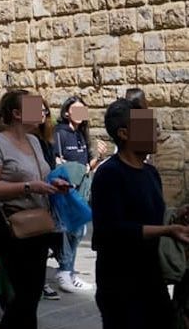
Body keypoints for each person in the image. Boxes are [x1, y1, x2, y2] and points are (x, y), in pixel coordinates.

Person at [91, 98, 189, 329]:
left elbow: (149, 217)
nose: (155, 132)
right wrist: (168, 230)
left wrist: (176, 216)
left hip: (151, 277)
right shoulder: (109, 174)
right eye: (147, 127)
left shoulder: (150, 172)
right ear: (124, 134)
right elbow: (110, 231)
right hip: (120, 283)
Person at [0, 90, 70, 329]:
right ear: (17, 113)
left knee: (30, 297)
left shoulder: (34, 141)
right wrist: (29, 187)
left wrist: (52, 183)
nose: (41, 112)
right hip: (13, 229)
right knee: (20, 299)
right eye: (34, 107)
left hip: (39, 228)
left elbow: (39, 175)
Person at [51, 96, 106, 294]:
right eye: (76, 109)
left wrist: (98, 157)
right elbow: (56, 159)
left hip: (82, 187)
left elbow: (86, 167)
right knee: (71, 229)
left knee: (79, 229)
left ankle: (69, 271)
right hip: (67, 188)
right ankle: (65, 270)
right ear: (66, 113)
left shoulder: (82, 135)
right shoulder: (60, 133)